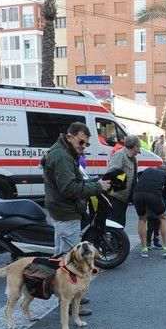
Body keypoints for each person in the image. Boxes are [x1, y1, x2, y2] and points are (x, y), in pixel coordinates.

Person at [43, 122, 111, 317]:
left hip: (64, 211)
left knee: (62, 258)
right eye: (81, 142)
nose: (83, 147)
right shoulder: (62, 156)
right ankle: (71, 302)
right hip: (65, 212)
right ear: (70, 137)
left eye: (86, 144)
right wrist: (98, 187)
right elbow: (69, 188)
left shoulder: (65, 153)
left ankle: (67, 294)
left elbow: (73, 182)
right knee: (71, 261)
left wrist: (92, 182)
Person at [134, 164, 166, 258]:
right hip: (153, 195)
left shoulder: (147, 170)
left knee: (142, 219)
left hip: (137, 194)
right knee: (163, 218)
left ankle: (144, 249)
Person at [105, 135, 141, 227]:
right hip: (115, 197)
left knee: (120, 225)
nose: (139, 149)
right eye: (139, 146)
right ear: (135, 146)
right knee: (115, 226)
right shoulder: (120, 155)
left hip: (124, 199)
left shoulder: (134, 159)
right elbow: (111, 173)